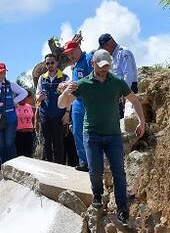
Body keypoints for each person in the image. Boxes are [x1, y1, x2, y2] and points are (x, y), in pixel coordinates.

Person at [58, 49, 147, 223]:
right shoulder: (83, 84)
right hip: (91, 135)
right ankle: (97, 194)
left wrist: (142, 122)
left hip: (113, 135)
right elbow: (61, 104)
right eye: (100, 67)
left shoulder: (117, 82)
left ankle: (122, 209)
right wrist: (66, 91)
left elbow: (135, 101)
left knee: (119, 173)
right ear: (92, 64)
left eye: (106, 67)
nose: (103, 71)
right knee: (95, 170)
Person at [61, 39, 93, 171]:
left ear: (78, 48)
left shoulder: (88, 59)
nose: (70, 56)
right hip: (77, 102)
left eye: (72, 52)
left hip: (90, 102)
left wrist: (80, 83)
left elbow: (95, 76)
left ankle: (93, 161)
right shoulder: (74, 66)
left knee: (90, 133)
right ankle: (84, 162)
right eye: (68, 54)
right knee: (77, 131)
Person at [36, 53, 69, 164]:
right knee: (47, 143)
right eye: (47, 63)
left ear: (57, 63)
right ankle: (49, 165)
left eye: (52, 63)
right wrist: (39, 97)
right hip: (45, 115)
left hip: (59, 115)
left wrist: (67, 113)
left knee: (58, 143)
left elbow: (70, 96)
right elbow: (37, 95)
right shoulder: (42, 78)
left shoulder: (64, 77)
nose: (50, 65)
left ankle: (60, 166)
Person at [98, 34, 139, 118]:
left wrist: (125, 93)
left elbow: (128, 74)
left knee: (130, 117)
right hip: (119, 91)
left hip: (128, 89)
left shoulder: (123, 52)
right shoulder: (113, 56)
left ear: (108, 44)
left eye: (104, 47)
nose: (104, 50)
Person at [15, 92, 36, 158]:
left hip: (29, 134)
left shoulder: (29, 106)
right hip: (19, 134)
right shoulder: (14, 107)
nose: (23, 98)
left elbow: (32, 117)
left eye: (24, 97)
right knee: (20, 155)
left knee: (29, 154)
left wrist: (33, 128)